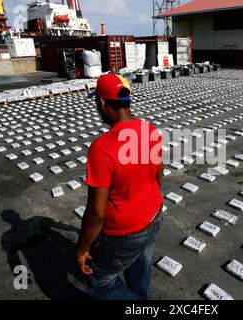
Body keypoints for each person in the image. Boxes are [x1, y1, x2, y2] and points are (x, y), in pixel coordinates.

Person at [76, 73, 164, 300]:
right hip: (154, 216)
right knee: (139, 268)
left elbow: (97, 213)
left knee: (99, 282)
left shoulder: (102, 148)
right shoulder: (148, 129)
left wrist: (82, 248)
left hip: (125, 233)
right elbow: (159, 173)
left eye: (96, 102)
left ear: (103, 104)